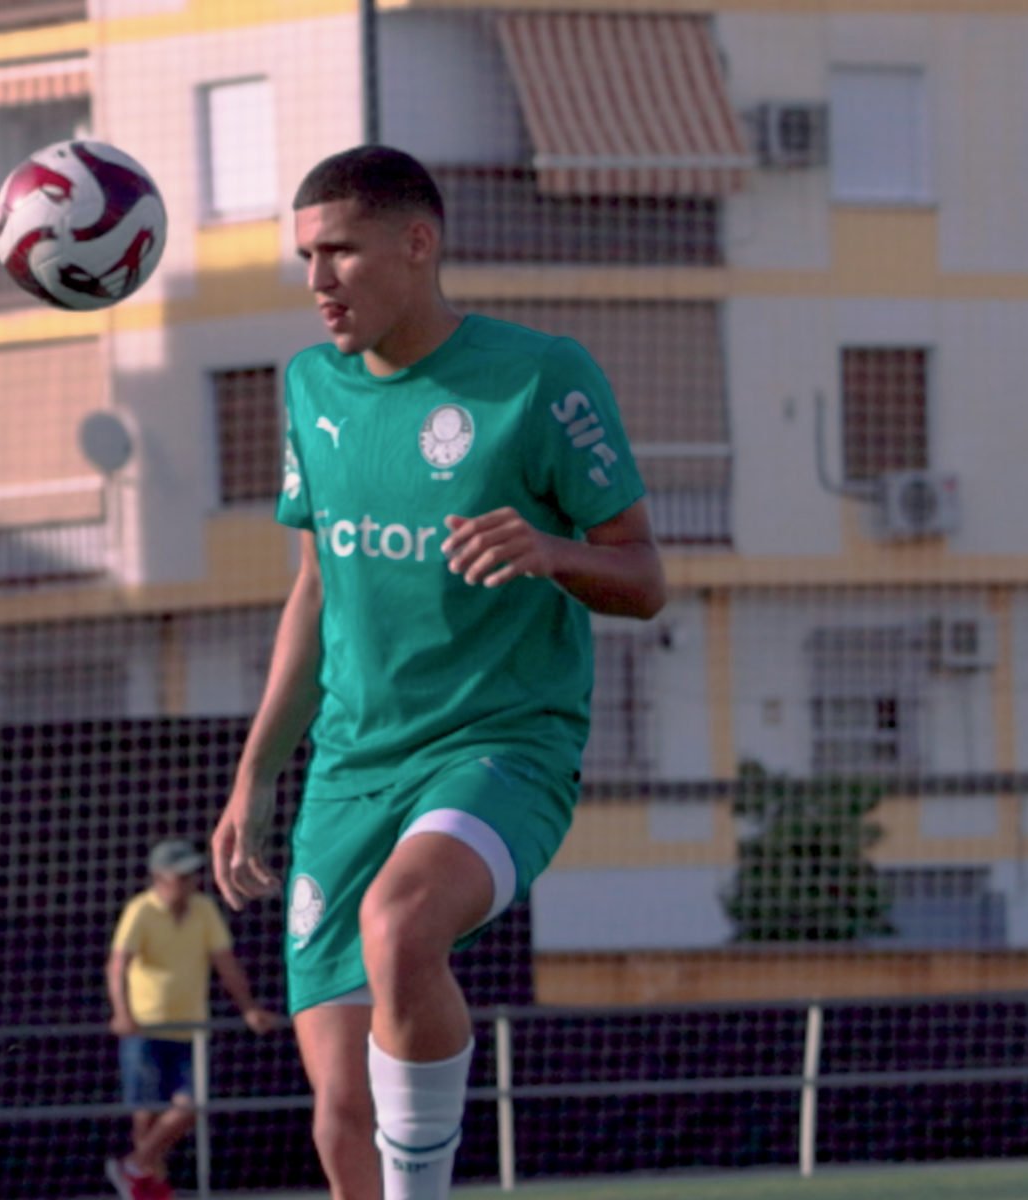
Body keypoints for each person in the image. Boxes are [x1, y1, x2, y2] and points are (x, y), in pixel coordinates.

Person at [211, 145, 666, 1200]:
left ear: (417, 244)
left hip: (499, 749)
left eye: (339, 252)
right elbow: (314, 592)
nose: (317, 280)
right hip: (348, 773)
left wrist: (550, 551)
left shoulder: (539, 377)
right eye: (305, 257)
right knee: (341, 1115)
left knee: (400, 923)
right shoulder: (309, 387)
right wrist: (255, 773)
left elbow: (645, 578)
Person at [104, 838, 278, 1200]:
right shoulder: (140, 911)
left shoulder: (203, 910)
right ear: (159, 877)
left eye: (191, 875)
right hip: (145, 1028)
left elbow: (225, 963)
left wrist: (248, 1007)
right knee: (146, 1117)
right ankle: (147, 1187)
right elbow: (118, 965)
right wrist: (122, 1013)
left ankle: (132, 1166)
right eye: (180, 876)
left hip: (190, 1030)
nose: (188, 883)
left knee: (190, 1104)